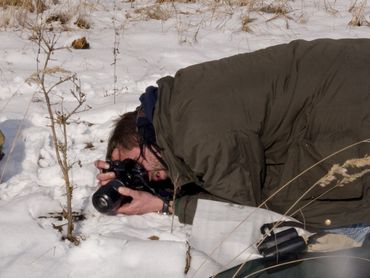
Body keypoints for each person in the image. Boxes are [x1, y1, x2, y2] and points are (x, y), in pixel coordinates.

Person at [96, 38, 370, 235]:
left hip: (352, 106)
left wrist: (166, 205)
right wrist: (136, 181)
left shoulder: (196, 131)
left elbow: (241, 211)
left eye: (136, 166)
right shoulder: (177, 101)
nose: (150, 177)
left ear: (140, 135)